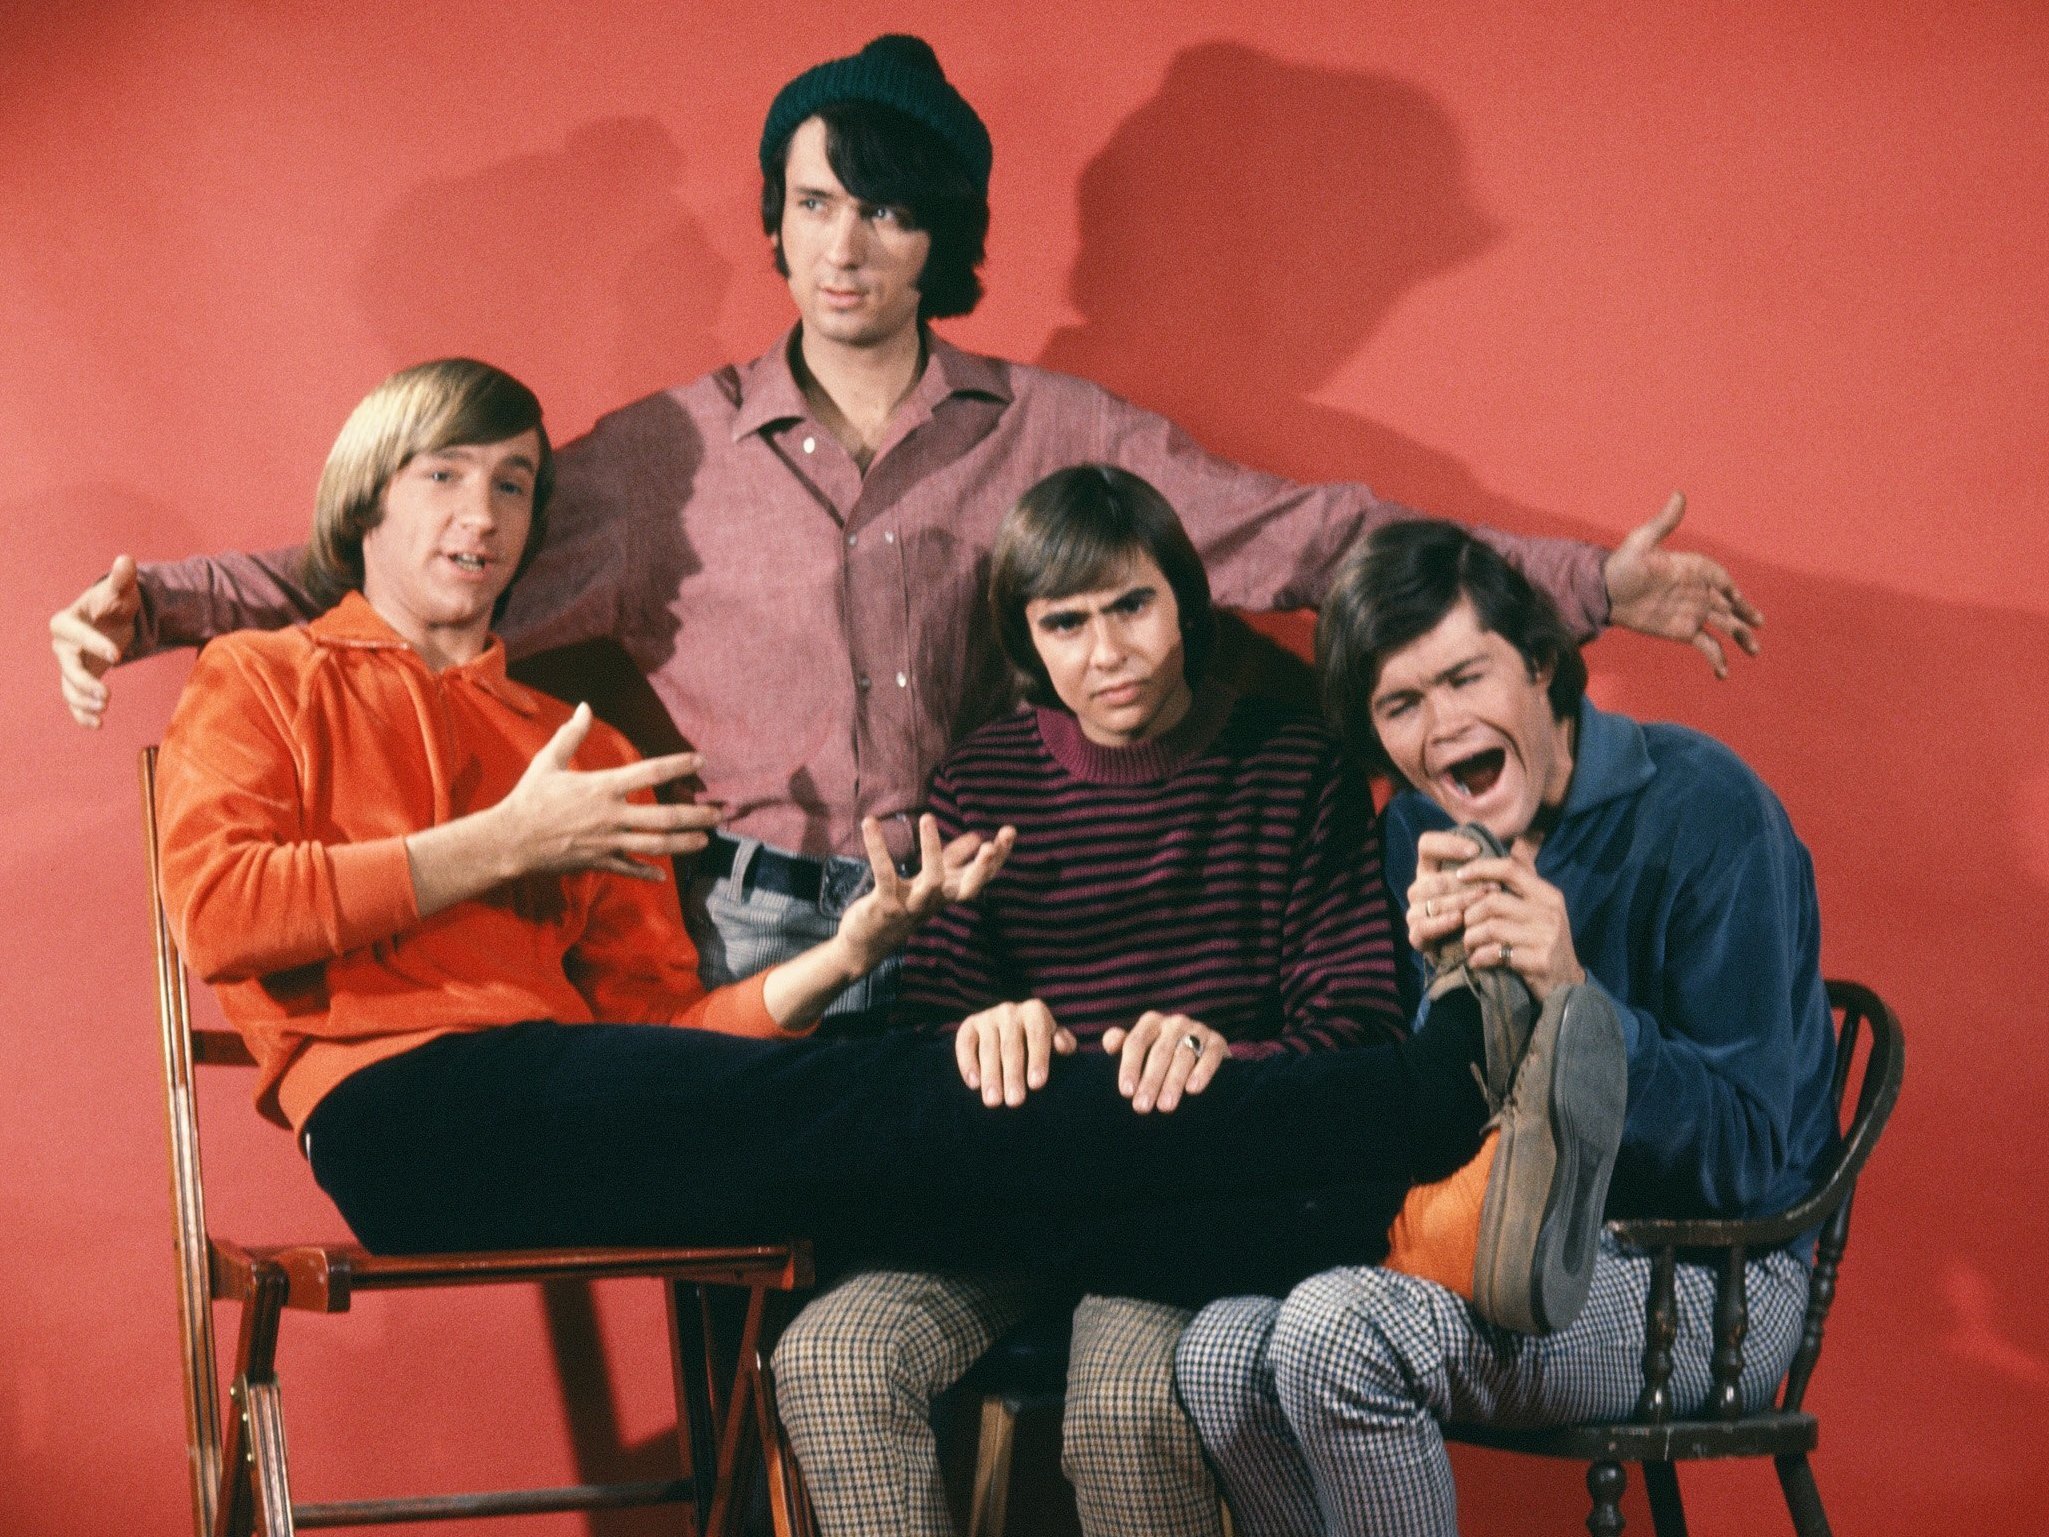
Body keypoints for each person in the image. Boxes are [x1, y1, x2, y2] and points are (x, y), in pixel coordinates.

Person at [154, 361, 1627, 1523]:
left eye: (515, 485)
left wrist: (832, 951)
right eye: (442, 478)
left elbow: (669, 1047)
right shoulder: (261, 677)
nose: (479, 516)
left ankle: (1380, 1189)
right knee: (912, 1084)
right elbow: (220, 904)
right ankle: (1426, 1131)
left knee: (893, 1096)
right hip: (404, 1116)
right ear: (367, 494)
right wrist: (501, 846)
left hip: (566, 1101)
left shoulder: (566, 738)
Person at [57, 34, 1760, 1028]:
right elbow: (410, 544)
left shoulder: (1057, 434)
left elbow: (1307, 541)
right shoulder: (666, 455)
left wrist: (1586, 578)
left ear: (939, 235)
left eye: (883, 210)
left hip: (992, 927)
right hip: (739, 938)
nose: (845, 244)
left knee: (974, 1314)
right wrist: (161, 613)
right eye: (812, 205)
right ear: (775, 226)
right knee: (776, 1335)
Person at [1173, 520, 1839, 1537]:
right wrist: (1432, 1000)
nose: (1440, 727)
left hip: (1707, 1279)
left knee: (1337, 1331)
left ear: (1540, 665)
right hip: (1494, 1243)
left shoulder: (1707, 809)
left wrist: (1573, 992)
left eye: (1465, 679)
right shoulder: (1417, 830)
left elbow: (1751, 1159)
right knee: (1217, 1352)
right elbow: (1428, 1122)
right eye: (1400, 703)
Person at [773, 464, 1399, 1537]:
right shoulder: (983, 781)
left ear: (1185, 606)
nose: (1105, 654)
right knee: (826, 1358)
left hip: (1194, 1199)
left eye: (1131, 607)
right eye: (1065, 623)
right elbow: (928, 1041)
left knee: (1121, 1408)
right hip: (1017, 1199)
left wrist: (1217, 1056)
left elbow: (1358, 1030)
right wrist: (978, 1032)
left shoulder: (1297, 765)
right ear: (1027, 643)